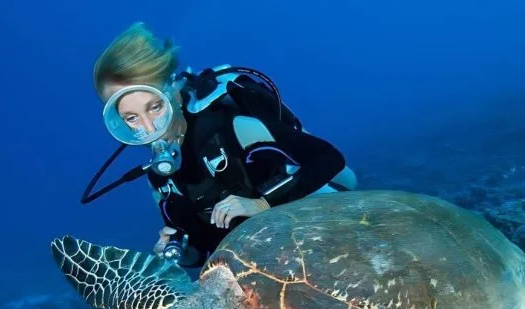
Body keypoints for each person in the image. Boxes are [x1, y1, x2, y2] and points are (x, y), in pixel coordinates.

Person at [82, 22, 357, 267]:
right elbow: (203, 248)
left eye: (155, 107)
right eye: (131, 118)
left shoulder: (230, 125)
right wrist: (179, 250)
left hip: (323, 213)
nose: (150, 129)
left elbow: (329, 158)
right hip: (272, 254)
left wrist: (262, 204)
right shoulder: (161, 178)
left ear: (173, 92)